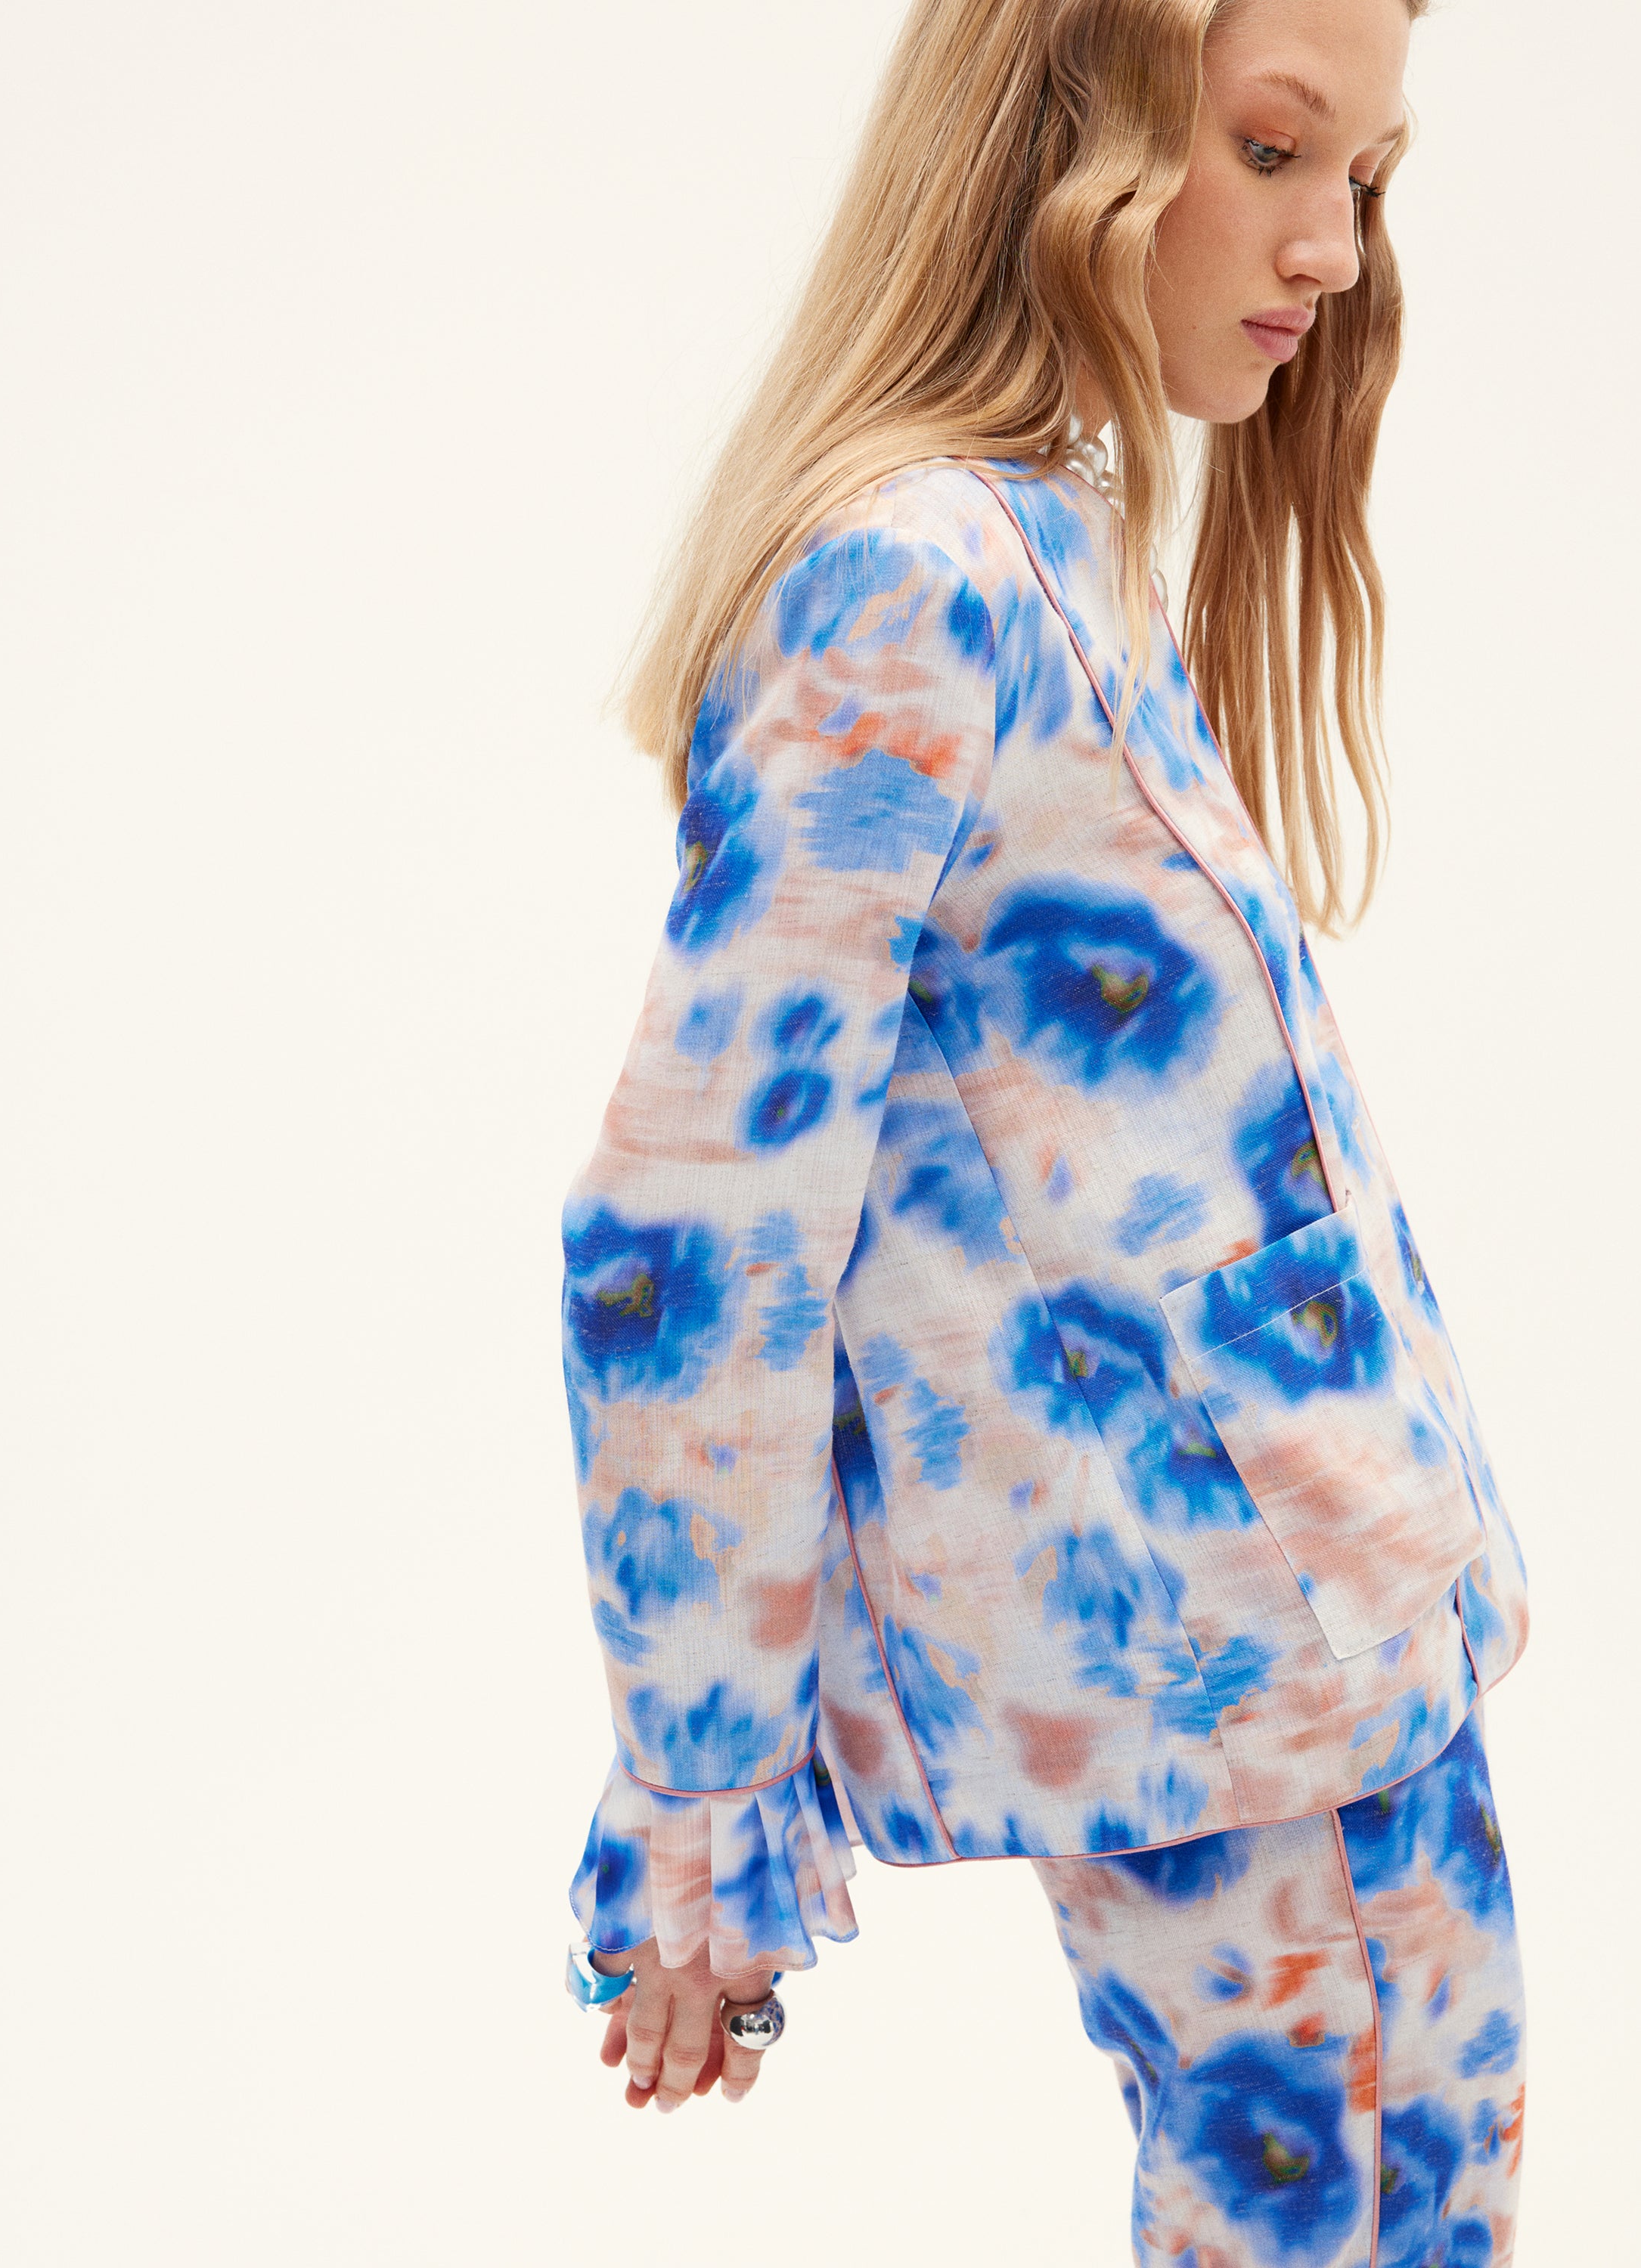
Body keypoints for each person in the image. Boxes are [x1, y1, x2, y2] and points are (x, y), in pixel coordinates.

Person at [561, 1, 1529, 2260]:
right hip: (1237, 1677)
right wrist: (704, 1785)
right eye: (1274, 148)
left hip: (1326, 1652)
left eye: (1363, 177)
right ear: (1069, 125)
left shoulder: (1053, 545)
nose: (1336, 246)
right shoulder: (914, 581)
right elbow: (691, 1232)